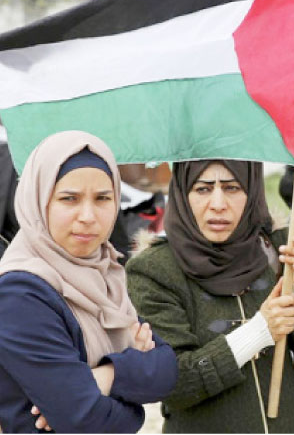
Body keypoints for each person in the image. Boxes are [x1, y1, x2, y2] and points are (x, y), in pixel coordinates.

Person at [126, 159, 294, 433]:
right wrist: (260, 330)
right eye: (203, 189)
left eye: (232, 188)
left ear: (252, 191)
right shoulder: (153, 270)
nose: (218, 203)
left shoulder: (277, 246)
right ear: (181, 193)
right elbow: (174, 384)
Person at [0, 131, 178, 433]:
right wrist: (134, 402)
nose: (88, 216)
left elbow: (167, 369)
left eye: (102, 198)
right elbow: (86, 420)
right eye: (69, 198)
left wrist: (105, 376)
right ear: (39, 200)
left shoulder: (105, 274)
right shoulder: (19, 293)